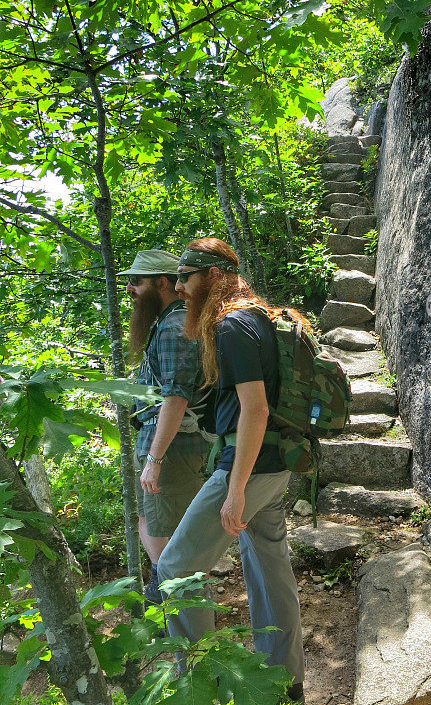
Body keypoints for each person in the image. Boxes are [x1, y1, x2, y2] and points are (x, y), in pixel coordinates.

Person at [157, 237, 305, 704]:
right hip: (275, 462)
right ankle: (283, 684)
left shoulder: (232, 326)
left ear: (214, 277)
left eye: (186, 276)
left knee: (176, 567)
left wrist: (235, 487)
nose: (178, 286)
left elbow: (255, 410)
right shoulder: (258, 317)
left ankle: (203, 685)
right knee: (268, 568)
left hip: (249, 468)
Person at [117, 249, 210, 603]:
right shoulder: (169, 321)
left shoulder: (174, 326)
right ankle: (167, 602)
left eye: (136, 281)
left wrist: (155, 459)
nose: (130, 289)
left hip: (172, 448)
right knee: (151, 525)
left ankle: (179, 612)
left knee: (167, 536)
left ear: (161, 283)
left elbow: (176, 397)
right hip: (163, 444)